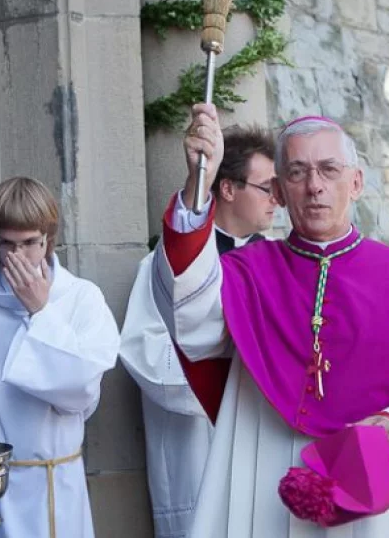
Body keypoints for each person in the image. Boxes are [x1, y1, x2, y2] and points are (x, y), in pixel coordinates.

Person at [151, 106, 389, 537]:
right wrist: (198, 187)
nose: (314, 186)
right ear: (278, 190)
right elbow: (190, 313)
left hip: (375, 496)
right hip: (267, 475)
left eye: (329, 169)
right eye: (297, 173)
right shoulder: (245, 273)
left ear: (356, 182)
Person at [0, 177, 120, 538]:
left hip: (58, 482)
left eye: (29, 243)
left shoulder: (82, 298)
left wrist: (41, 312)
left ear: (48, 239)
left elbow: (81, 392)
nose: (17, 257)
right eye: (6, 244)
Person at [118, 124, 277, 538]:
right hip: (197, 451)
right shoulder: (169, 268)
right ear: (228, 189)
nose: (276, 200)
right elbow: (143, 352)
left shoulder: (274, 265)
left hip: (260, 447)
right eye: (267, 188)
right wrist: (230, 370)